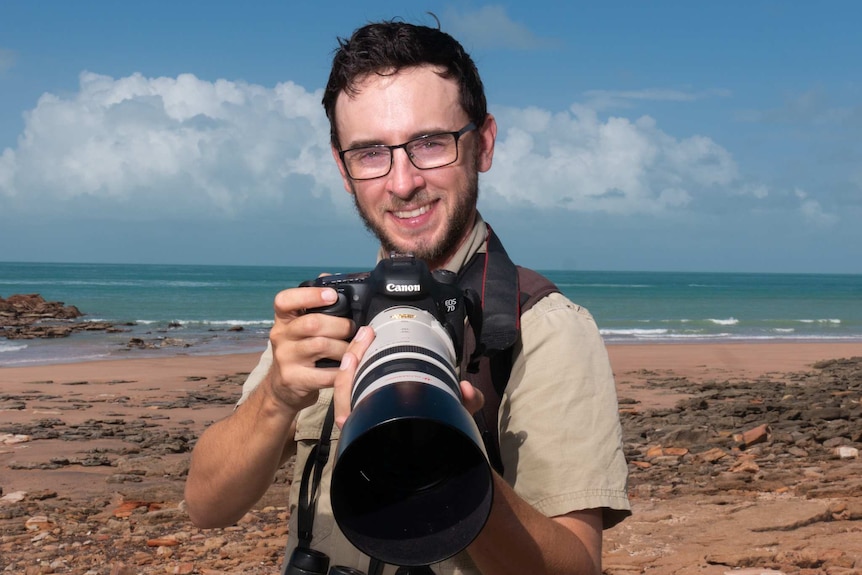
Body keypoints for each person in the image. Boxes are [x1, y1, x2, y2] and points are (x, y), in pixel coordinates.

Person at [185, 19, 630, 575]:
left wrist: (448, 451)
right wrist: (277, 395)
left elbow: (575, 567)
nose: (401, 182)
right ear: (343, 169)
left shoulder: (540, 325)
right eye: (371, 153)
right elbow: (206, 506)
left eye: (429, 143)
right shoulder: (332, 312)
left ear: (483, 144)